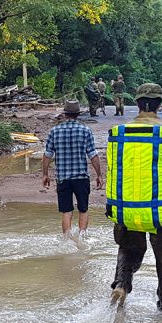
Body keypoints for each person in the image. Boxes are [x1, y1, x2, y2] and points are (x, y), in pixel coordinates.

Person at [106, 83, 162, 310]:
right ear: (160, 104)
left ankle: (121, 285)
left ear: (137, 104)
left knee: (128, 250)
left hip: (126, 208)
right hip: (161, 211)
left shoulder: (121, 133)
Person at [42, 100, 104, 237]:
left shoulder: (55, 131)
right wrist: (99, 175)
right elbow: (93, 155)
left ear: (65, 114)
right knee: (83, 209)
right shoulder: (85, 130)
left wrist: (45, 175)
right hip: (81, 178)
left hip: (63, 178)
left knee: (67, 211)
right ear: (78, 114)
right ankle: (82, 237)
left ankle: (66, 240)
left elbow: (47, 155)